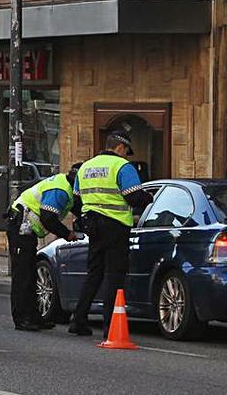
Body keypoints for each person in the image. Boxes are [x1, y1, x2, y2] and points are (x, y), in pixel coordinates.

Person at [68, 132, 153, 338]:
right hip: (116, 227)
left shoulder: (86, 167)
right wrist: (149, 197)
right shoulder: (123, 167)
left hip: (93, 227)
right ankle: (110, 326)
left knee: (94, 274)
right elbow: (134, 197)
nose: (126, 156)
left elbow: (77, 201)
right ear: (120, 148)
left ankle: (78, 320)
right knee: (115, 276)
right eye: (126, 152)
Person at [6, 163, 82, 331]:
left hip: (25, 228)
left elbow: (79, 209)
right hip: (20, 226)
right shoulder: (60, 190)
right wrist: (67, 234)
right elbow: (48, 218)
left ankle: (33, 317)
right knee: (23, 274)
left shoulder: (65, 187)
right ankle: (22, 319)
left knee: (30, 274)